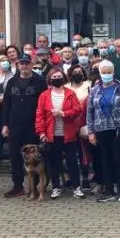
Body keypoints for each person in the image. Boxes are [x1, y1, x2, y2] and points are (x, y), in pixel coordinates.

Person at [86, 60, 120, 204]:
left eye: (109, 72)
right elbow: (89, 112)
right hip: (101, 129)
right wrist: (91, 131)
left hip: (118, 129)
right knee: (104, 161)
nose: (107, 75)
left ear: (113, 72)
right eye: (104, 72)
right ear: (100, 73)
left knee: (118, 160)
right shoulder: (94, 90)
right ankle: (109, 190)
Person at [1, 54, 48, 198]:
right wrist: (5, 124)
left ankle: (36, 189)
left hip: (33, 125)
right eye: (21, 63)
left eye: (26, 63)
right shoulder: (11, 82)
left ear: (31, 64)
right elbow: (6, 105)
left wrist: (42, 126)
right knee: (15, 156)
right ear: (17, 65)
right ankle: (17, 186)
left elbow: (44, 104)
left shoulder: (39, 81)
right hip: (15, 126)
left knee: (35, 157)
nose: (24, 66)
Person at [35, 68, 82, 199]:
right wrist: (41, 132)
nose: (56, 79)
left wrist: (63, 114)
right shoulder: (44, 95)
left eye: (59, 76)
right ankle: (56, 187)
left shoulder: (70, 94)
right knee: (54, 162)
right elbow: (39, 115)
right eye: (54, 77)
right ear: (50, 79)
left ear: (64, 78)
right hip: (51, 135)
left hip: (69, 134)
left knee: (72, 162)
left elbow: (77, 110)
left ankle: (76, 186)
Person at [67, 64, 94, 195]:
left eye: (80, 71)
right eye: (75, 72)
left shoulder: (89, 85)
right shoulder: (66, 87)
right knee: (72, 152)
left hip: (85, 122)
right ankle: (72, 178)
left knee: (84, 152)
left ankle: (86, 177)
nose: (77, 73)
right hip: (69, 123)